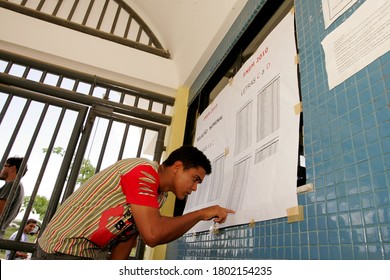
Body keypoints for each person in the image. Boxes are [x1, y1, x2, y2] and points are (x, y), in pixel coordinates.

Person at [36, 145, 234, 260]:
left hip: (87, 255)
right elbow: (153, 234)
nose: (194, 188)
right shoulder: (143, 172)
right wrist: (200, 214)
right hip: (62, 250)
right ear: (177, 167)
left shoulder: (159, 195)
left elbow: (127, 237)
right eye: (195, 179)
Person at [0, 157, 27, 239]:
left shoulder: (11, 184)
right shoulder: (18, 186)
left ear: (12, 168)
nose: (1, 169)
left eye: (5, 166)